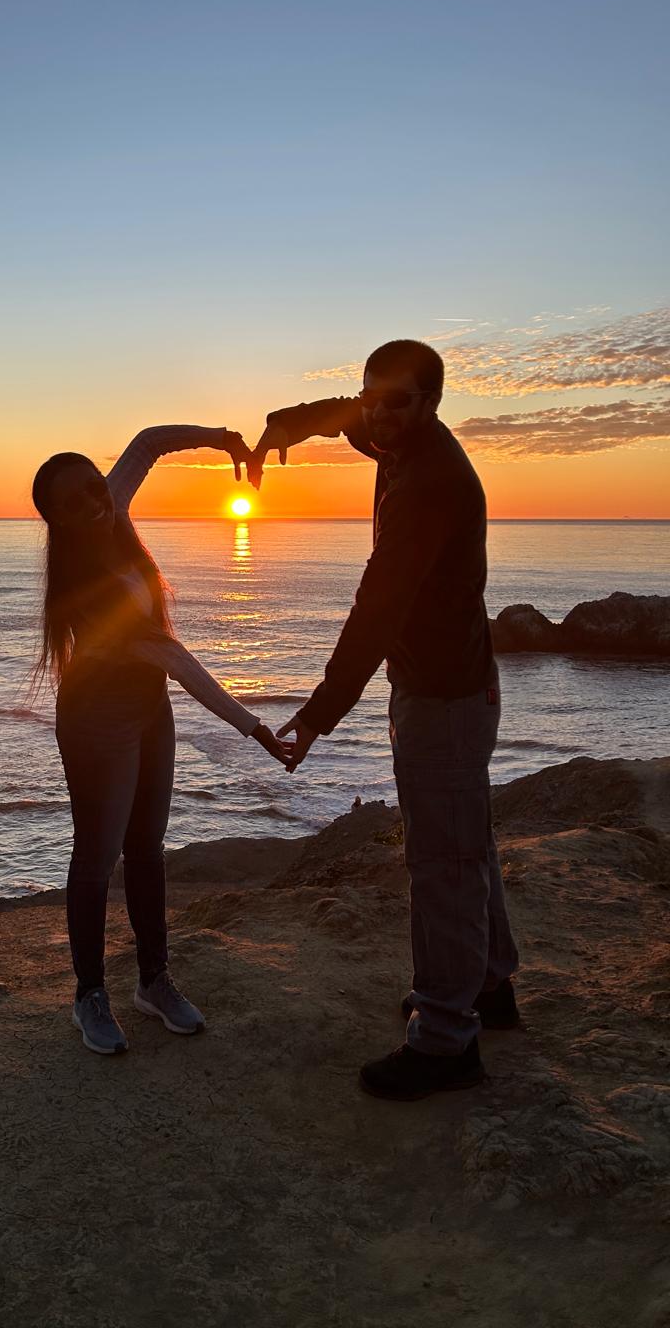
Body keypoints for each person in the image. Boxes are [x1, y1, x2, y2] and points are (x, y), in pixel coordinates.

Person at [253, 340, 519, 1101]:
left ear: (431, 404)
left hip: (445, 700)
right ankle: (488, 985)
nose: (377, 414)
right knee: (465, 844)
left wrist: (318, 715)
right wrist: (284, 425)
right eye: (372, 396)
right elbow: (345, 416)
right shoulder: (398, 438)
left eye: (396, 401)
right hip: (446, 689)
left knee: (442, 865)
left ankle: (445, 1040)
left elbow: (379, 608)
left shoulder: (429, 482)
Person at [32, 426, 288, 1056]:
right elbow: (172, 656)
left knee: (146, 848)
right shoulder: (82, 586)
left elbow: (148, 442)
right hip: (98, 719)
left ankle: (154, 981)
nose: (94, 502)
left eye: (94, 486)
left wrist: (226, 440)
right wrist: (254, 727)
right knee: (97, 858)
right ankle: (90, 995)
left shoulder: (112, 506)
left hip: (150, 709)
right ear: (57, 520)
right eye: (74, 502)